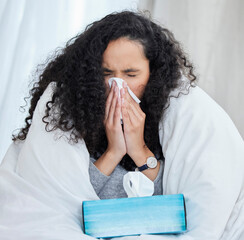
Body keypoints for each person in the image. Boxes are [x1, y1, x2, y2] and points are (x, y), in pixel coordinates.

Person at [0, 10, 244, 240]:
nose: (118, 86)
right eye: (107, 74)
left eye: (131, 74)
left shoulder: (172, 122)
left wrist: (139, 150)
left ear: (153, 74)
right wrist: (113, 152)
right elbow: (62, 201)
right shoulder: (71, 119)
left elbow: (172, 204)